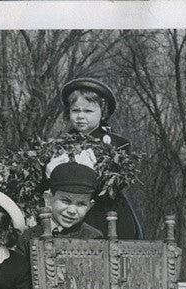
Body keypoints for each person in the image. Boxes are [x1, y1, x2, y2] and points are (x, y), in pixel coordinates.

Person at [60, 77, 143, 239]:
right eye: (75, 111)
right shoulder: (59, 145)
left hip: (107, 214)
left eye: (88, 111)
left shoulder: (118, 145)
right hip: (69, 214)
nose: (81, 116)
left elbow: (115, 185)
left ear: (103, 113)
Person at [17, 159, 105, 258]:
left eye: (81, 204)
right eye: (66, 201)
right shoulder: (29, 238)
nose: (72, 211)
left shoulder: (93, 238)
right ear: (48, 198)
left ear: (89, 206)